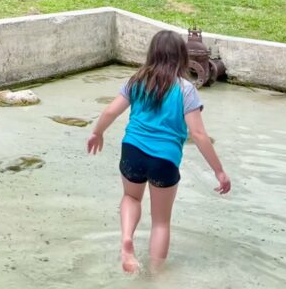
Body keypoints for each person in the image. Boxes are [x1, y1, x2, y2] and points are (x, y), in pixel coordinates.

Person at [86, 29, 231, 274]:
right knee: (161, 222)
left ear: (152, 53)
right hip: (164, 159)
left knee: (131, 197)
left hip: (132, 150)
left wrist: (97, 132)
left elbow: (111, 111)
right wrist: (219, 171)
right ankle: (155, 275)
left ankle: (126, 241)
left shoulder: (137, 80)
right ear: (181, 57)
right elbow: (198, 135)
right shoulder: (185, 89)